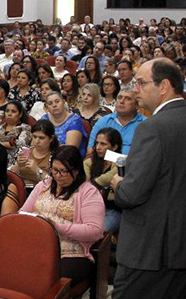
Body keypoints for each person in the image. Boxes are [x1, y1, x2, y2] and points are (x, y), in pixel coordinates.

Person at [107, 59, 186, 299]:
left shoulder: (152, 128)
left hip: (150, 249)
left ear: (165, 86)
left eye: (142, 83)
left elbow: (130, 195)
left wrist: (118, 184)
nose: (136, 90)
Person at [21, 145, 105, 286]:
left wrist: (56, 227)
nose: (57, 175)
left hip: (71, 252)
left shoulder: (88, 192)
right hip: (38, 244)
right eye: (54, 170)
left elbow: (95, 231)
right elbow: (23, 213)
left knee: (43, 278)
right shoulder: (44, 185)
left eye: (63, 171)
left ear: (76, 171)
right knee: (12, 267)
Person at [87, 87, 146, 155]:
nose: (121, 101)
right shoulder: (103, 122)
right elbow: (91, 150)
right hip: (104, 164)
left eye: (128, 99)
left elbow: (146, 154)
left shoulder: (146, 124)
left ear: (137, 105)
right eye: (119, 97)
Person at [84, 128, 122, 233]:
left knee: (98, 231)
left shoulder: (122, 164)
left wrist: (94, 184)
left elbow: (108, 178)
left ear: (114, 147)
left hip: (112, 209)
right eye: (96, 143)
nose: (98, 147)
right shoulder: (88, 162)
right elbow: (85, 187)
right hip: (90, 208)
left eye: (103, 144)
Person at [11, 119, 58, 187]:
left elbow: (55, 183)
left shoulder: (56, 156)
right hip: (18, 189)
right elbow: (8, 174)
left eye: (41, 138)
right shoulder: (23, 150)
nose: (37, 141)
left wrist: (37, 170)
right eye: (34, 137)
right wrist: (18, 165)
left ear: (51, 138)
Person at [41, 91, 88, 156]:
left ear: (63, 102)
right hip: (46, 157)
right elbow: (37, 143)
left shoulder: (74, 120)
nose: (54, 105)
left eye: (57, 101)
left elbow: (69, 150)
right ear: (46, 107)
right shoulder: (44, 119)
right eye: (50, 103)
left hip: (68, 160)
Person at [0, 100, 32, 167]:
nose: (9, 114)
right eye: (7, 111)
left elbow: (20, 144)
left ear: (20, 114)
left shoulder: (25, 128)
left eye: (13, 111)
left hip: (15, 163)